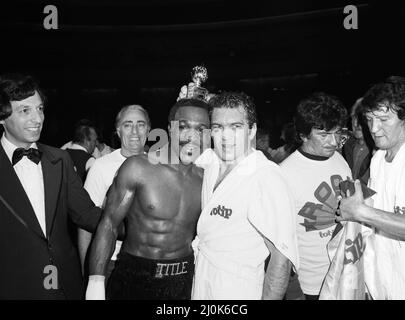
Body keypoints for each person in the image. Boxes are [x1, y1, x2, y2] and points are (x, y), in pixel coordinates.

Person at [85, 98, 211, 300]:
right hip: (135, 276)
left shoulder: (208, 179)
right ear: (171, 129)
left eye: (201, 129)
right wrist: (95, 282)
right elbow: (109, 224)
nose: (191, 136)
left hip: (183, 279)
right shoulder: (138, 167)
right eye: (184, 126)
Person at [0, 73, 101, 299]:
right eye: (25, 110)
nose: (37, 118)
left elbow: (86, 214)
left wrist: (132, 222)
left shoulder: (60, 159)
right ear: (2, 116)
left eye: (40, 109)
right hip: (12, 287)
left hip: (62, 285)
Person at [191, 91, 298, 300]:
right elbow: (179, 145)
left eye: (236, 127)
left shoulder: (266, 176)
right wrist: (188, 101)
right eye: (218, 127)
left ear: (252, 131)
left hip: (239, 288)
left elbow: (281, 259)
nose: (225, 136)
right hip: (202, 278)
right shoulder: (209, 160)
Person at [337, 76, 405, 299]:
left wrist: (361, 211)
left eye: (384, 119)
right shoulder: (378, 159)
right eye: (369, 119)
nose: (374, 129)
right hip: (382, 283)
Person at [280, 92, 352, 300]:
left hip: (346, 272)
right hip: (312, 285)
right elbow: (279, 241)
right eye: (324, 134)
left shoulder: (339, 159)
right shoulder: (284, 174)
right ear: (303, 134)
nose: (333, 141)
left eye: (338, 133)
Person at [78, 105, 150, 277]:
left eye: (140, 124)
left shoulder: (160, 165)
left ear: (148, 129)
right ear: (118, 131)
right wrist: (86, 272)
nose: (134, 131)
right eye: (127, 125)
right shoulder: (100, 167)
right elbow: (85, 224)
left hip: (149, 263)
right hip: (112, 263)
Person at [342, 98, 373, 184]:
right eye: (353, 117)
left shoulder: (380, 152)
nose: (355, 124)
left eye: (361, 119)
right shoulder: (345, 145)